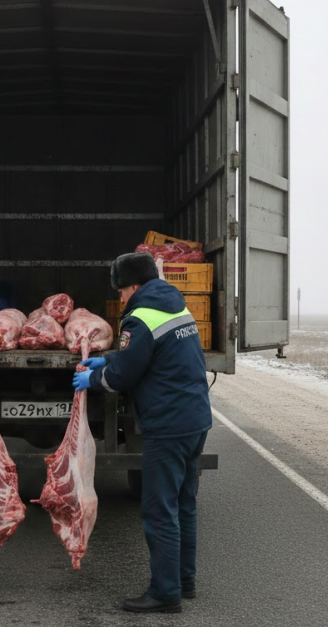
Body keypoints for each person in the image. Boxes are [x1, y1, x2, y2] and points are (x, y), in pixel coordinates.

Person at [73, 252, 212, 614]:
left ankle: (165, 593)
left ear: (133, 286)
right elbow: (149, 353)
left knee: (159, 510)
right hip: (195, 418)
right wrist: (108, 358)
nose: (120, 298)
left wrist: (95, 378)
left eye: (121, 291)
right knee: (184, 505)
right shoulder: (175, 306)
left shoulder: (140, 317)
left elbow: (124, 376)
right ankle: (184, 581)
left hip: (168, 425)